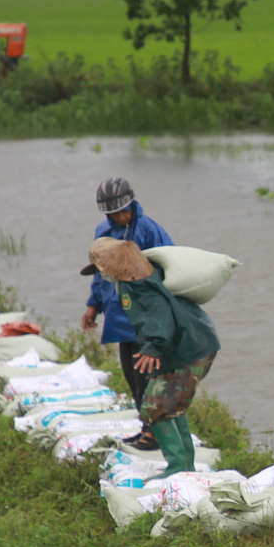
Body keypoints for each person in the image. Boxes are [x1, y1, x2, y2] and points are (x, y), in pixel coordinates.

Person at [80, 237, 218, 478]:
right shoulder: (145, 278)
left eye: (102, 270)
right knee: (171, 406)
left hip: (189, 349)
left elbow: (159, 316)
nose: (102, 276)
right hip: (197, 342)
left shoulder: (136, 286)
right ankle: (185, 467)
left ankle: (178, 467)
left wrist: (153, 348)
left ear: (114, 267)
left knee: (152, 407)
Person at [80, 177, 175, 448]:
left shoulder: (149, 230)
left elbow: (171, 264)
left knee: (150, 376)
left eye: (124, 211)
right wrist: (93, 305)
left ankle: (156, 433)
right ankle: (146, 426)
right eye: (113, 214)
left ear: (132, 204)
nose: (120, 217)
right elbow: (100, 272)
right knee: (133, 377)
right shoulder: (104, 232)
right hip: (121, 316)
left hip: (147, 316)